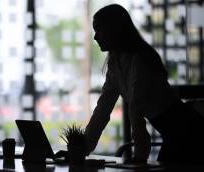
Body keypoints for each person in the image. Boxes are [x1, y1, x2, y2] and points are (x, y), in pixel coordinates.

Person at [84, 4, 204, 164]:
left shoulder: (139, 59)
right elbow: (103, 108)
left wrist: (140, 156)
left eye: (99, 30)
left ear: (115, 29)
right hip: (179, 132)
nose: (95, 37)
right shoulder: (116, 63)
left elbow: (135, 107)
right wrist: (81, 149)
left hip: (190, 134)